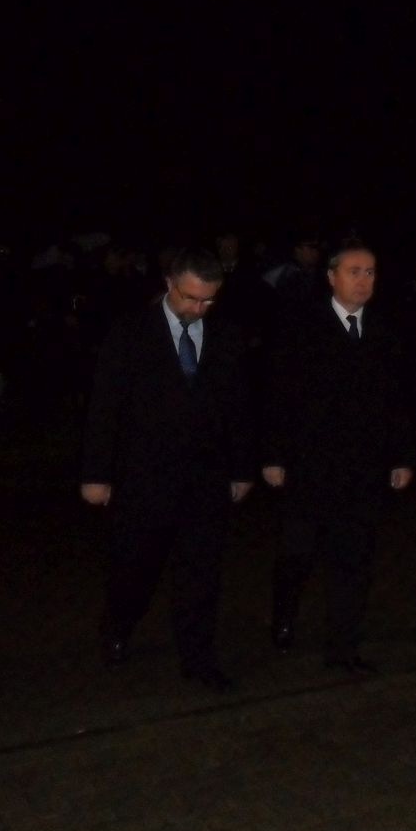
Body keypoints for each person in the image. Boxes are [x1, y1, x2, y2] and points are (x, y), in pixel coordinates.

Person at [80, 249, 253, 693]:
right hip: (145, 475)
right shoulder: (130, 333)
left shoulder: (226, 335)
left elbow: (237, 407)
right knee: (136, 566)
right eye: (191, 298)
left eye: (208, 300)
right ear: (170, 283)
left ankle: (198, 657)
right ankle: (118, 625)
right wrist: (96, 473)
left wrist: (241, 467)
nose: (199, 308)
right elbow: (105, 406)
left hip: (205, 476)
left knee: (201, 573)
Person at [261, 242, 413, 672]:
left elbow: (397, 398)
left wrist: (401, 456)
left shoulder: (384, 330)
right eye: (354, 271)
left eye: (370, 272)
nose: (363, 281)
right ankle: (284, 613)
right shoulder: (301, 327)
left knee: (354, 556)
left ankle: (343, 645)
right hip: (310, 465)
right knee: (298, 552)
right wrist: (273, 455)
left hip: (362, 468)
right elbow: (278, 394)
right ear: (331, 277)